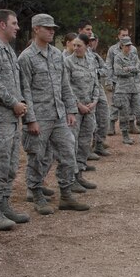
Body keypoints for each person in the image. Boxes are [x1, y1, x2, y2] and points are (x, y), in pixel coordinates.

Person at [19, 14, 89, 212]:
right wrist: (30, 119)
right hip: (39, 117)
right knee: (37, 156)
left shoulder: (57, 54)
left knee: (68, 152)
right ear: (36, 29)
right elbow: (25, 91)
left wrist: (70, 110)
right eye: (47, 28)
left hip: (58, 115)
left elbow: (64, 85)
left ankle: (66, 194)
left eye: (53, 28)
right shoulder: (26, 58)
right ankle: (36, 192)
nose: (51, 31)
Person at [0, 10, 30, 230]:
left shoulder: (8, 50)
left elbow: (14, 82)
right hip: (0, 118)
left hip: (12, 118)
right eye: (14, 23)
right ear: (2, 25)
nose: (17, 27)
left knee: (11, 165)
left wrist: (19, 104)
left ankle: (4, 204)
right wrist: (14, 103)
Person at [64, 35, 99, 190]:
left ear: (86, 46)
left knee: (85, 142)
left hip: (90, 108)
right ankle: (71, 178)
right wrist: (78, 105)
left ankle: (80, 174)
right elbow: (66, 87)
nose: (76, 48)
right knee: (73, 143)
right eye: (74, 45)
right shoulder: (68, 62)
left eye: (79, 45)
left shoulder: (91, 61)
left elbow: (96, 83)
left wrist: (95, 101)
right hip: (75, 110)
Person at [111, 37, 140, 144]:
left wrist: (129, 69)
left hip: (135, 89)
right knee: (124, 113)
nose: (129, 47)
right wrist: (133, 70)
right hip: (122, 90)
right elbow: (118, 72)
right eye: (126, 45)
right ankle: (125, 135)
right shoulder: (118, 57)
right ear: (121, 46)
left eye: (130, 45)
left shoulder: (134, 56)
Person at [83, 25, 111, 157]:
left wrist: (95, 73)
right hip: (83, 90)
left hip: (97, 88)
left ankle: (99, 145)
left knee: (104, 116)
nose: (92, 39)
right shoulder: (74, 50)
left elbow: (105, 69)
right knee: (87, 121)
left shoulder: (92, 54)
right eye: (88, 31)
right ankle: (85, 150)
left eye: (93, 38)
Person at [106, 28, 139, 135]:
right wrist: (108, 81)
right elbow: (109, 66)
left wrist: (131, 71)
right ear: (118, 36)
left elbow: (138, 66)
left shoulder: (133, 49)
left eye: (127, 35)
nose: (125, 37)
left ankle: (131, 125)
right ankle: (111, 125)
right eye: (123, 35)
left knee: (131, 104)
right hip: (117, 82)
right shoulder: (112, 49)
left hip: (132, 82)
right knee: (116, 104)